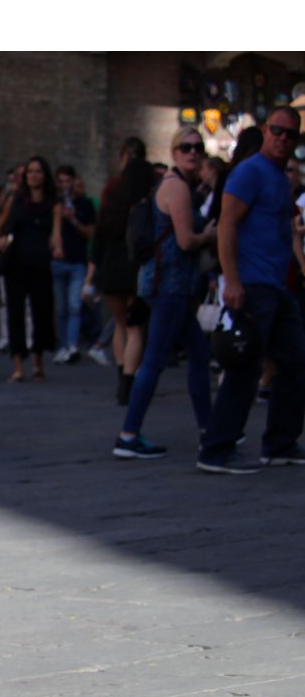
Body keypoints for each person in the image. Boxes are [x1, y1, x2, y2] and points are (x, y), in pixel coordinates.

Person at [197, 106, 305, 474]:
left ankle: (279, 443)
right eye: (277, 130)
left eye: (291, 134)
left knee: (294, 362)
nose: (283, 138)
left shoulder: (277, 176)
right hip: (253, 285)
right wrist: (233, 280)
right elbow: (226, 225)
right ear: (264, 130)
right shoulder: (250, 171)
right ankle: (216, 449)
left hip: (277, 285)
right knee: (245, 367)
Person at [113, 128, 217, 459]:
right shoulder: (176, 188)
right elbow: (186, 241)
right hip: (168, 286)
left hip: (170, 286)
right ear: (174, 153)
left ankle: (208, 430)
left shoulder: (178, 186)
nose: (193, 152)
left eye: (198, 147)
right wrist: (209, 235)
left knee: (199, 354)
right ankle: (129, 434)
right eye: (185, 147)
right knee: (155, 360)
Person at [89, 138, 155, 404]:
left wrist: (91, 274)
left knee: (120, 324)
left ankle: (121, 375)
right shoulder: (150, 187)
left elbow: (100, 233)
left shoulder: (113, 189)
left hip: (112, 264)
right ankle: (128, 379)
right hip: (136, 263)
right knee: (136, 327)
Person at [0, 156, 61, 381]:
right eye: (30, 171)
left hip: (40, 262)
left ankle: (37, 362)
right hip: (16, 262)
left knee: (41, 313)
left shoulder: (53, 204)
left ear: (45, 176)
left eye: (38, 171)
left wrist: (57, 249)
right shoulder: (16, 200)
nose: (34, 175)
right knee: (15, 313)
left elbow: (56, 235)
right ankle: (18, 366)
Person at [50, 164, 96, 364]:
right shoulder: (53, 205)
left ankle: (72, 345)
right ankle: (62, 345)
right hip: (57, 260)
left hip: (77, 260)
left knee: (74, 305)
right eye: (60, 182)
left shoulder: (84, 204)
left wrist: (74, 219)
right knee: (60, 307)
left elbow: (90, 234)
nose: (64, 185)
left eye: (67, 181)